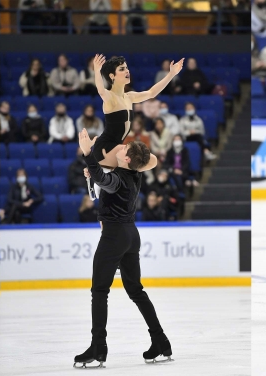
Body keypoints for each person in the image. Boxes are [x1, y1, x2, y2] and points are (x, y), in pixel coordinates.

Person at [73, 130, 171, 367]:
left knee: (99, 290)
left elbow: (107, 180)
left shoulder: (118, 179)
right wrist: (95, 172)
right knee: (136, 290)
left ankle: (98, 347)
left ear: (127, 160)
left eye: (125, 149)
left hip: (114, 236)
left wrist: (88, 153)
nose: (121, 147)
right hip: (130, 234)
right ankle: (161, 341)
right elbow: (105, 178)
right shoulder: (133, 174)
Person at [85, 54, 170, 198]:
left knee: (152, 161)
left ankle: (102, 175)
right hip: (106, 147)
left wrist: (171, 74)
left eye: (127, 68)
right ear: (112, 76)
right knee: (135, 157)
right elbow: (100, 91)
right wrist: (97, 71)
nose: (127, 71)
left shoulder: (129, 96)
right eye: (122, 69)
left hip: (118, 147)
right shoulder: (110, 97)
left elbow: (152, 92)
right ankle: (98, 177)